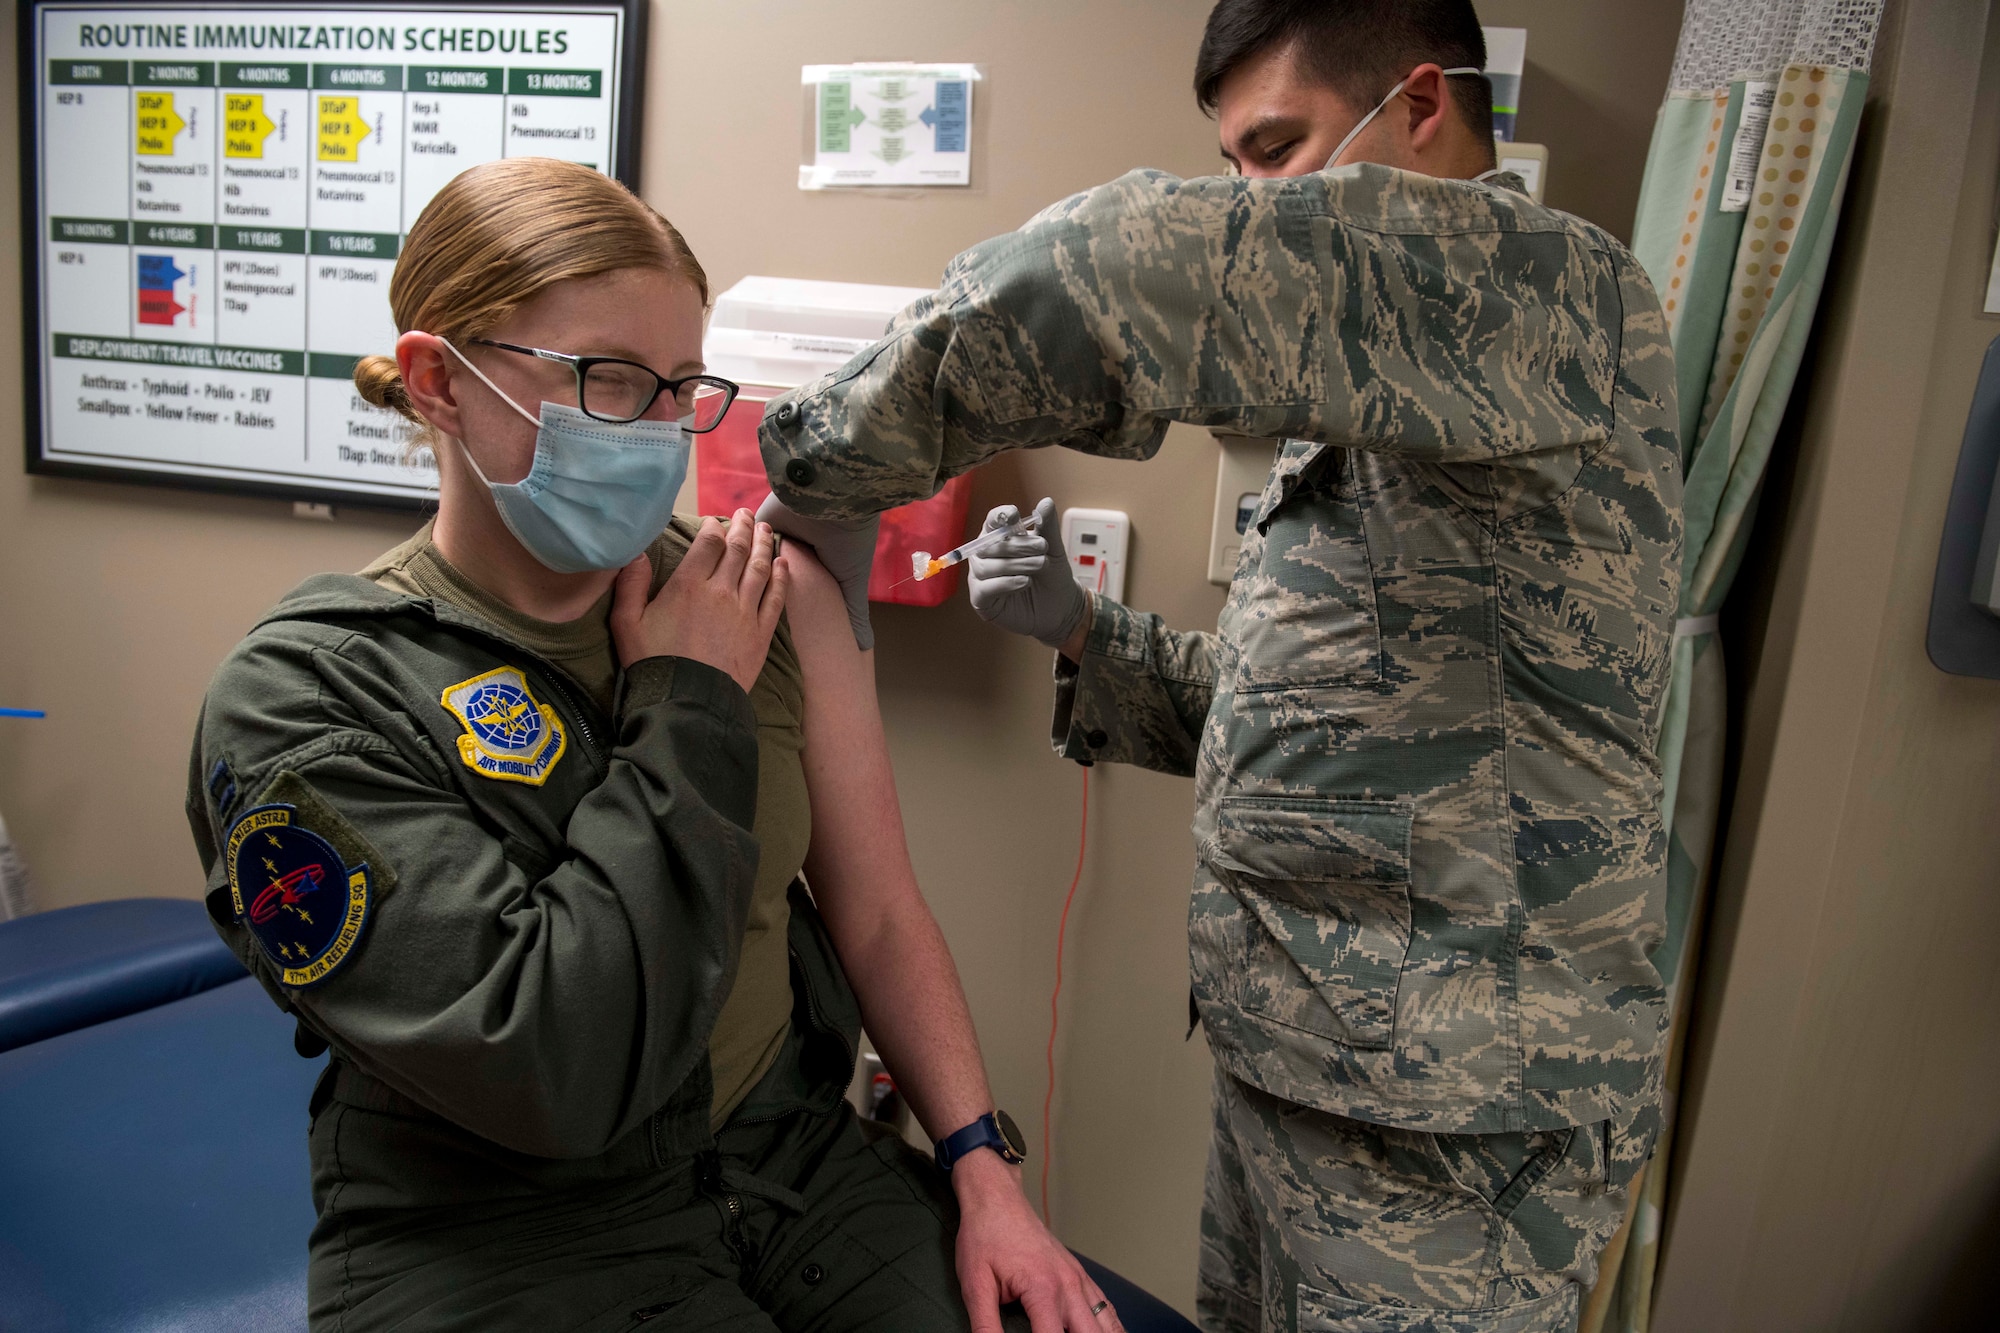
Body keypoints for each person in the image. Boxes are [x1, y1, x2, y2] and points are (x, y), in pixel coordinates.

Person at [755, 2, 1683, 1330]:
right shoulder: (1402, 407)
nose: (1252, 197)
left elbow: (1114, 266)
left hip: (1453, 1117)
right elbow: (1344, 727)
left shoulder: (1544, 291)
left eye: (1274, 148)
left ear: (1421, 107)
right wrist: (1089, 639)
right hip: (1310, 1064)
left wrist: (821, 457)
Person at [184, 157, 1122, 1333]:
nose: (662, 429)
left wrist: (984, 1171)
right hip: (508, 1219)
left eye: (683, 386)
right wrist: (685, 699)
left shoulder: (764, 596)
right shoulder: (311, 694)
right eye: (611, 380)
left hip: (787, 1159)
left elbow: (880, 914)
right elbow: (548, 1066)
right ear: (438, 382)